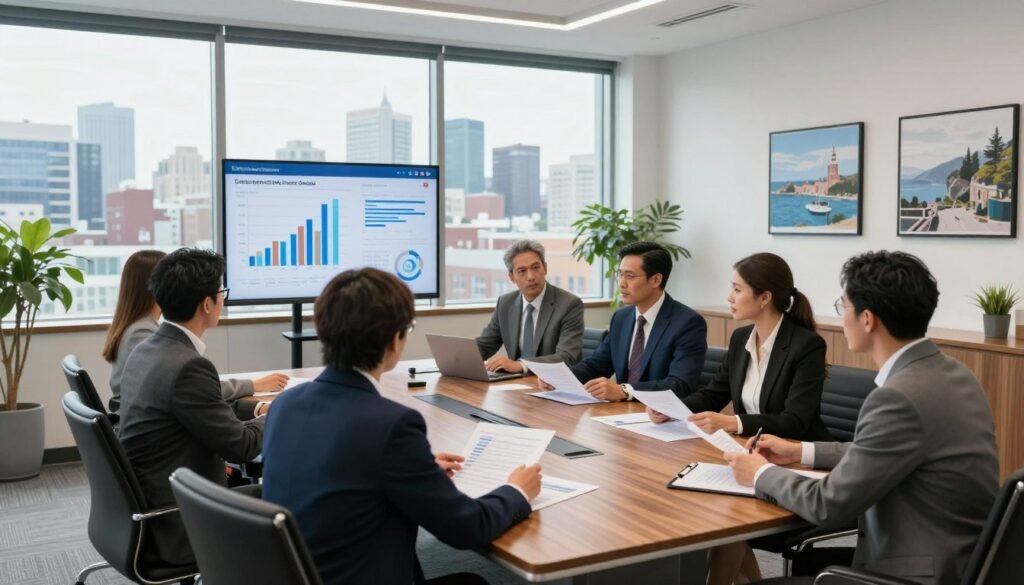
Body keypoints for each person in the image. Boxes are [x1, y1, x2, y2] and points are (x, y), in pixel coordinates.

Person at [725, 251, 998, 585]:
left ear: (867, 320)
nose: (842, 319)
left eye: (844, 307)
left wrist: (761, 473)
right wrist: (801, 452)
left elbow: (828, 504)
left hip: (912, 574)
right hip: (958, 560)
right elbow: (877, 448)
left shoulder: (897, 397)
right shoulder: (955, 373)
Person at [262, 268, 542, 585]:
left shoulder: (284, 404)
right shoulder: (390, 424)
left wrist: (415, 468)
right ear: (396, 339)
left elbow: (336, 469)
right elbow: (467, 528)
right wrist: (517, 490)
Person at [646, 252, 831, 585]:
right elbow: (713, 394)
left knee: (723, 517)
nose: (729, 298)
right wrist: (671, 407)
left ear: (764, 297)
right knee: (715, 511)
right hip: (752, 456)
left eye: (737, 289)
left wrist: (734, 423)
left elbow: (796, 420)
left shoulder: (806, 345)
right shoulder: (740, 338)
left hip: (795, 463)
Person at [117, 248, 267, 568]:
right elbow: (242, 446)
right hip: (180, 522)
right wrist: (280, 414)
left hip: (151, 503)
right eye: (221, 293)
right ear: (207, 304)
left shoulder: (148, 349)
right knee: (286, 497)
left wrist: (253, 411)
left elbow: (191, 408)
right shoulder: (189, 366)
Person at [103, 249, 287, 413]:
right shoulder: (142, 333)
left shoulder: (140, 326)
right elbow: (193, 388)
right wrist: (253, 387)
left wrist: (257, 408)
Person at [546, 241, 707, 401]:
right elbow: (596, 365)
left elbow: (680, 384)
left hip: (662, 417)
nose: (621, 283)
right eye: (620, 274)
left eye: (630, 276)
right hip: (621, 413)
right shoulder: (621, 318)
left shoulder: (687, 323)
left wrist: (625, 390)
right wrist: (558, 378)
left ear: (656, 280)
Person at [476, 239, 584, 373]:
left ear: (545, 268)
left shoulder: (569, 304)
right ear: (512, 277)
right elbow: (485, 346)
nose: (531, 276)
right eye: (522, 271)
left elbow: (567, 357)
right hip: (514, 384)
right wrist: (455, 359)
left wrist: (521, 365)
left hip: (554, 384)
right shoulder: (505, 303)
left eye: (536, 267)